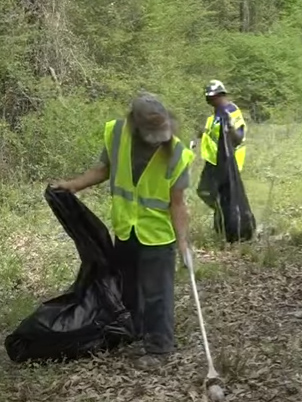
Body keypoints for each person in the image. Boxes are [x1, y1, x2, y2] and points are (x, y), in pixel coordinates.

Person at [52, 92, 195, 370]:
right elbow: (103, 169)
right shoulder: (117, 134)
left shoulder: (177, 152)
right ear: (135, 124)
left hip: (157, 235)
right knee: (129, 289)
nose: (158, 138)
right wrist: (73, 185)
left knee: (157, 293)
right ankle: (136, 332)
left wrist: (183, 243)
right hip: (126, 229)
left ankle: (159, 347)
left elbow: (178, 204)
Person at [195, 79, 247, 210]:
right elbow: (214, 134)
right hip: (213, 162)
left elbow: (238, 138)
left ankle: (227, 218)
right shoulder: (216, 113)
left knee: (223, 195)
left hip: (228, 162)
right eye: (208, 98)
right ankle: (222, 214)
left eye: (212, 98)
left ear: (221, 95)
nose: (210, 101)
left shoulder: (232, 111)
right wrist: (202, 134)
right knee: (206, 192)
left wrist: (231, 129)